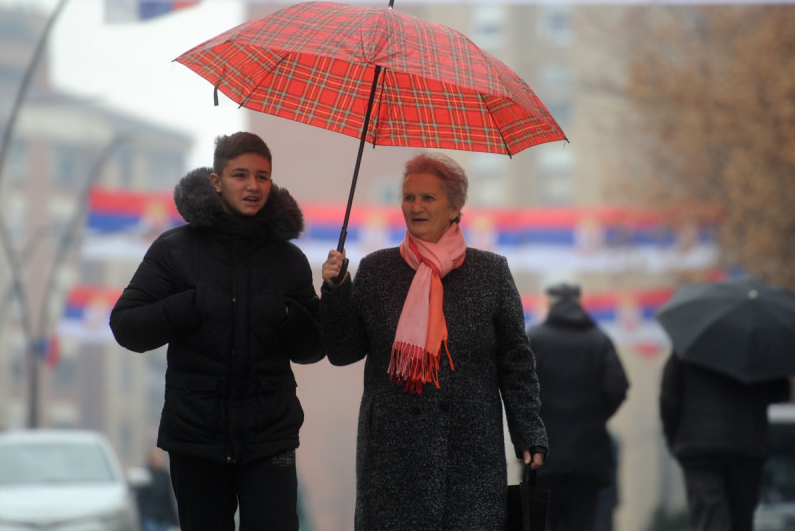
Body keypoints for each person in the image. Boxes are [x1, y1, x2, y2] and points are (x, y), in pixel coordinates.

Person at [319, 151, 548, 531]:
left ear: (456, 206)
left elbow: (515, 361)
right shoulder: (376, 269)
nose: (416, 207)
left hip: (469, 456)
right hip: (393, 458)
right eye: (408, 197)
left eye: (428, 198)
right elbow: (343, 352)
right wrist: (336, 288)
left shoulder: (490, 272)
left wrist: (529, 432)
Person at [109, 132, 325, 531]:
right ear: (216, 181)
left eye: (262, 176)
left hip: (270, 437)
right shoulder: (175, 249)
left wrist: (288, 312)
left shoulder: (289, 260)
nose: (252, 186)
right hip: (195, 437)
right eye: (240, 175)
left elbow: (313, 348)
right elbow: (126, 326)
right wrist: (190, 304)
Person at [527, 282, 630, 531]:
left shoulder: (535, 340)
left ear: (550, 303)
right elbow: (617, 387)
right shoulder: (600, 341)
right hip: (588, 455)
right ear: (579, 304)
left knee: (543, 522)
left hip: (543, 456)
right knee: (582, 523)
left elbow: (519, 390)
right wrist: (596, 415)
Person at [659, 351, 790, 531]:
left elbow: (669, 398)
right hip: (746, 443)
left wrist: (673, 437)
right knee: (741, 516)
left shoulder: (687, 348)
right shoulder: (758, 348)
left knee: (709, 514)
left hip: (699, 446)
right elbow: (780, 392)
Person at [135, 448, 179, 531]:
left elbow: (168, 498)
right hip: (150, 518)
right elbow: (140, 498)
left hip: (164, 519)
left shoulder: (165, 476)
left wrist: (175, 520)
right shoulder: (146, 475)